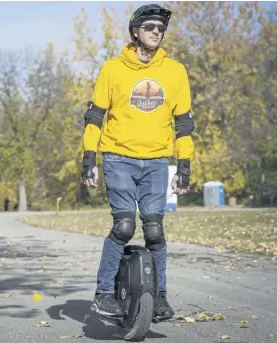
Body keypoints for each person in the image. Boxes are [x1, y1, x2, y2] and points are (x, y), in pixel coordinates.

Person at [81, 4, 195, 320]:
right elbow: (95, 116)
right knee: (124, 225)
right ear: (136, 31)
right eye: (150, 27)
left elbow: (184, 123)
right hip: (118, 158)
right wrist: (89, 157)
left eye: (160, 27)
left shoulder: (175, 71)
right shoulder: (112, 69)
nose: (156, 31)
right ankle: (104, 294)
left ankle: (159, 297)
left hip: (158, 160)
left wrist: (184, 165)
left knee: (155, 230)